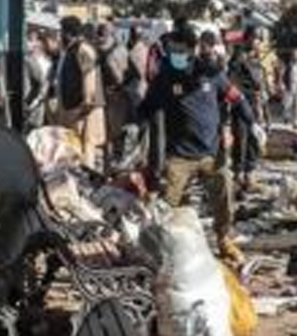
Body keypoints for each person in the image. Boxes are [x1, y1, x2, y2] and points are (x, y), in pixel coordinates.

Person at [138, 24, 253, 264]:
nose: (175, 55)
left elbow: (236, 97)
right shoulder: (164, 79)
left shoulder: (210, 73)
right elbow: (145, 109)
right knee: (167, 206)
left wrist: (249, 119)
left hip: (211, 154)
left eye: (180, 50)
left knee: (224, 195)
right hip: (178, 157)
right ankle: (163, 251)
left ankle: (223, 239)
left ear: (193, 49)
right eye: (172, 50)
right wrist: (134, 125)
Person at [56, 16, 107, 169]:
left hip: (84, 111)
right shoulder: (72, 49)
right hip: (74, 109)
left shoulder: (83, 50)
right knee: (75, 147)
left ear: (68, 33)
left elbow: (89, 78)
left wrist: (86, 105)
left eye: (62, 32)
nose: (60, 36)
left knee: (87, 148)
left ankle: (87, 183)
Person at [227, 38, 270, 192]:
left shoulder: (258, 65)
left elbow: (264, 87)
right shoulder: (237, 63)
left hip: (255, 107)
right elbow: (232, 86)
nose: (260, 46)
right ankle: (238, 175)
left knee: (253, 141)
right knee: (241, 140)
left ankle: (249, 173)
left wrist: (264, 110)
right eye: (258, 42)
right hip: (241, 107)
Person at [98, 23, 134, 167]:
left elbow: (120, 75)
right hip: (115, 94)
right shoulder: (121, 49)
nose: (100, 37)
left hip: (114, 94)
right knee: (112, 132)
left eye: (102, 33)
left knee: (113, 132)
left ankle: (113, 163)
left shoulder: (111, 51)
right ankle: (112, 162)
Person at [23, 29, 51, 131]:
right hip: (32, 105)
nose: (32, 43)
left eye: (35, 40)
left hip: (44, 105)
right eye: (29, 39)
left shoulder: (49, 61)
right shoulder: (27, 60)